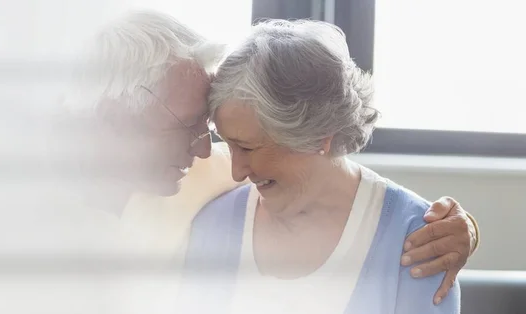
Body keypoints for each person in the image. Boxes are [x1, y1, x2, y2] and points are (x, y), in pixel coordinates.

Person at [63, 10, 478, 312]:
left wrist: (459, 228)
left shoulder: (201, 178)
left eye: (209, 131)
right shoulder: (206, 209)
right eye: (187, 126)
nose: (225, 162)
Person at [181, 19, 465, 314]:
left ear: (318, 135)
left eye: (248, 147)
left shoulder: (421, 239)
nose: (236, 172)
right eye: (228, 144)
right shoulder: (213, 224)